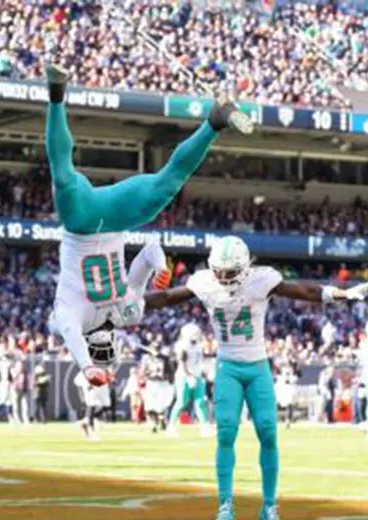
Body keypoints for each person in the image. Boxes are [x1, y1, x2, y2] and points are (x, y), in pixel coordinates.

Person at [144, 235, 368, 520]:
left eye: (229, 271)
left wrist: (340, 295)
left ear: (243, 267)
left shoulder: (261, 279)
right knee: (226, 430)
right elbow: (166, 298)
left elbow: (303, 290)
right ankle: (225, 503)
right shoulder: (204, 281)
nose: (223, 277)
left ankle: (269, 506)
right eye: (219, 270)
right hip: (228, 365)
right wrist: (129, 304)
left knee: (268, 432)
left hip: (257, 366)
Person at [46, 63, 252, 386]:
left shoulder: (73, 316)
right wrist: (160, 267)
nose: (104, 344)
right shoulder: (129, 312)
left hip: (81, 223)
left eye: (99, 348)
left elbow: (66, 327)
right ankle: (215, 120)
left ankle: (56, 96)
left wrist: (86, 367)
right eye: (107, 350)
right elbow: (150, 250)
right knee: (166, 186)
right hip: (116, 220)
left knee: (62, 175)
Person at [167, 322, 212, 438]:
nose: (197, 335)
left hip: (197, 375)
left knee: (200, 401)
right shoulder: (182, 345)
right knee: (182, 401)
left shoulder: (199, 345)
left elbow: (200, 360)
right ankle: (171, 426)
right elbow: (182, 362)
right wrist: (189, 376)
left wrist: (202, 372)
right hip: (184, 376)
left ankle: (205, 427)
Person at [141, 350, 174, 434]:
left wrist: (168, 379)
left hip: (162, 383)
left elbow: (171, 371)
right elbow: (143, 371)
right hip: (151, 382)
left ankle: (160, 420)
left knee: (160, 405)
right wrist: (147, 375)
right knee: (149, 405)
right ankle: (156, 423)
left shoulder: (165, 358)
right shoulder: (147, 359)